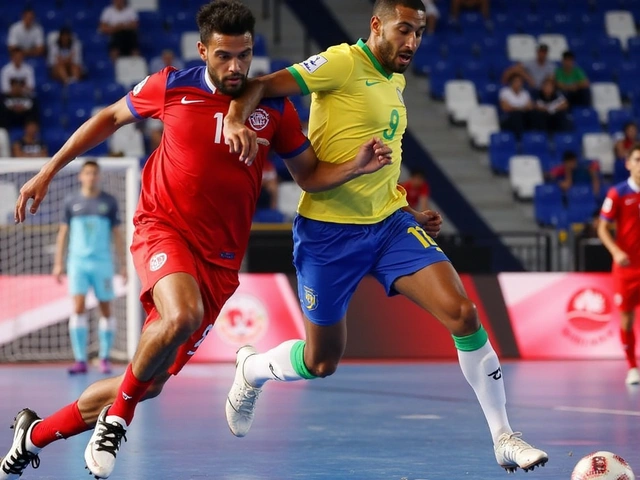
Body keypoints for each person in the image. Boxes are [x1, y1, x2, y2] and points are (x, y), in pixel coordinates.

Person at [3, 2, 393, 479]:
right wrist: (48, 171)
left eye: (244, 56)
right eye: (225, 56)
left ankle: (33, 435)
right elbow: (108, 118)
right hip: (162, 227)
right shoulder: (171, 86)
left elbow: (309, 175)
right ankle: (116, 422)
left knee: (147, 382)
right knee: (179, 317)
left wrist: (353, 166)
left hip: (220, 261)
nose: (236, 67)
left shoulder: (273, 107)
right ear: (203, 50)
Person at [222, 0, 548, 474]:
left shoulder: (395, 79)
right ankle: (251, 369)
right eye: (403, 30)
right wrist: (234, 118)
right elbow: (261, 85)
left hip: (391, 226)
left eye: (419, 33)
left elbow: (383, 159)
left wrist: (409, 211)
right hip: (328, 236)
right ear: (376, 25)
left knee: (463, 313)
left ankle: (503, 436)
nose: (412, 42)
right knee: (321, 361)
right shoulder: (340, 62)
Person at [53, 160, 126, 376]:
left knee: (105, 308)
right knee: (78, 307)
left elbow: (117, 235)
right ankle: (81, 360)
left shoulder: (109, 202)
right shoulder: (71, 201)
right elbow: (63, 234)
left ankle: (104, 357)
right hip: (77, 263)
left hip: (102, 262)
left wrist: (123, 264)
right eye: (87, 173)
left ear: (99, 176)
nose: (91, 176)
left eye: (94, 173)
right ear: (80, 176)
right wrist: (59, 262)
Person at [598, 144, 640, 386]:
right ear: (628, 163)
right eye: (637, 159)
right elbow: (602, 227)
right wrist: (615, 251)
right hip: (626, 269)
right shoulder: (618, 193)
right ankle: (632, 367)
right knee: (626, 319)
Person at [499, 73, 543, 139]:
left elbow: (530, 106)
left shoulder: (525, 93)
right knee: (517, 115)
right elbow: (505, 107)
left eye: (520, 81)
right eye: (516, 81)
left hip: (523, 116)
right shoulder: (505, 92)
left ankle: (537, 136)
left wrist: (516, 107)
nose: (518, 83)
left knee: (535, 113)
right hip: (510, 117)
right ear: (511, 82)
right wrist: (521, 108)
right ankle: (520, 138)